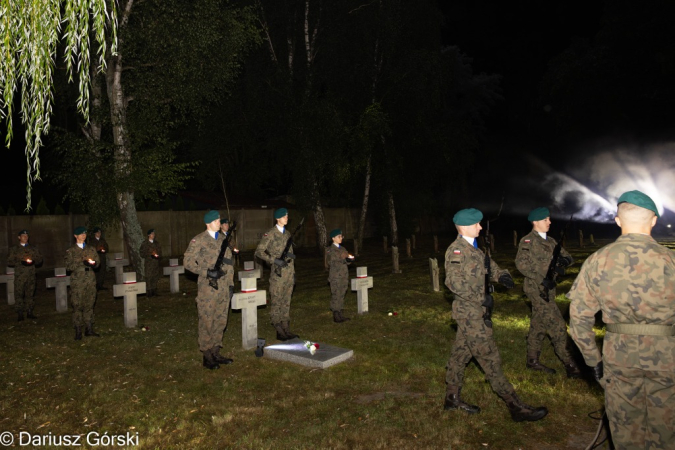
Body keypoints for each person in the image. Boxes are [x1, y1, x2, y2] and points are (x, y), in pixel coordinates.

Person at [568, 190, 675, 449]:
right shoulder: (670, 260)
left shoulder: (598, 261)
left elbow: (578, 317)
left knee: (626, 429)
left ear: (617, 221)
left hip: (619, 356)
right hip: (666, 356)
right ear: (653, 221)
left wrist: (593, 361)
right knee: (666, 428)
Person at [443, 208, 548, 422]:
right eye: (477, 224)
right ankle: (514, 405)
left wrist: (502, 276)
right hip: (470, 313)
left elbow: (488, 267)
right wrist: (479, 297)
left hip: (474, 313)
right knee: (490, 358)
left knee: (460, 355)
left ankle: (451, 398)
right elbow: (453, 283)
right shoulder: (456, 251)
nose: (480, 227)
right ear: (464, 227)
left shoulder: (475, 249)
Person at [515, 207, 581, 377]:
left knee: (539, 324)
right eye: (546, 220)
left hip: (549, 289)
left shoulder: (551, 241)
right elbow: (521, 264)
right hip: (536, 289)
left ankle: (532, 360)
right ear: (535, 222)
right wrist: (540, 278)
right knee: (557, 325)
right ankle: (571, 364)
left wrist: (563, 262)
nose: (549, 222)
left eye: (549, 219)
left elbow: (568, 258)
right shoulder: (528, 241)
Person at [184, 210, 234, 369]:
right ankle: (207, 355)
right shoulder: (199, 240)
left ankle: (216, 351)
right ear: (208, 223)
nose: (220, 222)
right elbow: (188, 262)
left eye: (219, 220)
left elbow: (229, 263)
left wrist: (231, 284)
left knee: (221, 320)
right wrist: (206, 272)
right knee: (207, 320)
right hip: (208, 288)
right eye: (217, 220)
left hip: (223, 287)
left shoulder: (223, 239)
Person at [255, 207, 299, 341]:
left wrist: (293, 273)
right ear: (278, 218)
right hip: (278, 275)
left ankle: (286, 327)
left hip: (288, 273)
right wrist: (274, 260)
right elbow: (259, 251)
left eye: (287, 216)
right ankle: (278, 328)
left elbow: (290, 255)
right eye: (284, 216)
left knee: (286, 301)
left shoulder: (288, 234)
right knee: (277, 300)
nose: (287, 218)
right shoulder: (270, 234)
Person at [65, 226, 100, 340]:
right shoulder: (71, 251)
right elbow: (68, 267)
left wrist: (93, 264)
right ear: (76, 236)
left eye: (85, 233)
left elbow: (98, 263)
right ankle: (78, 330)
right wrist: (81, 261)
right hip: (77, 281)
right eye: (81, 234)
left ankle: (89, 329)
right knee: (77, 306)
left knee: (89, 304)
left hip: (90, 279)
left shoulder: (91, 249)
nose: (83, 235)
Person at [7, 230, 43, 321]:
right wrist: (20, 262)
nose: (25, 237)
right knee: (19, 294)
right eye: (23, 236)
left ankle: (29, 311)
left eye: (27, 236)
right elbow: (9, 261)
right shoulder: (14, 249)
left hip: (31, 275)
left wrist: (34, 261)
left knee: (30, 294)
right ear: (19, 237)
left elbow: (39, 260)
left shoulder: (33, 248)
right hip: (20, 275)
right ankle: (20, 313)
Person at [327, 228, 354, 323]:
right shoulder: (330, 250)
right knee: (336, 294)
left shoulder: (343, 249)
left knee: (342, 293)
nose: (341, 238)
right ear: (333, 238)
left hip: (343, 275)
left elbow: (346, 259)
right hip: (336, 276)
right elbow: (332, 261)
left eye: (341, 236)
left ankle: (340, 313)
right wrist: (345, 260)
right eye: (339, 236)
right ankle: (336, 314)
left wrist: (349, 260)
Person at [220, 217, 240, 300]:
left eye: (227, 224)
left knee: (230, 284)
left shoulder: (230, 236)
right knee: (222, 284)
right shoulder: (218, 237)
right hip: (222, 264)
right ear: (220, 226)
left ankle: (228, 300)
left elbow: (233, 247)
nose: (227, 225)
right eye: (225, 224)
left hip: (230, 263)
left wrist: (235, 251)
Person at [140, 229, 161, 297]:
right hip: (149, 263)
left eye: (154, 234)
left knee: (155, 276)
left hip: (155, 263)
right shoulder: (145, 243)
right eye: (152, 234)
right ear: (149, 235)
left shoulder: (157, 243)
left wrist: (158, 255)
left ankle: (154, 290)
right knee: (149, 277)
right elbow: (142, 253)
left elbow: (160, 252)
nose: (153, 235)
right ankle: (149, 291)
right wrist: (150, 254)